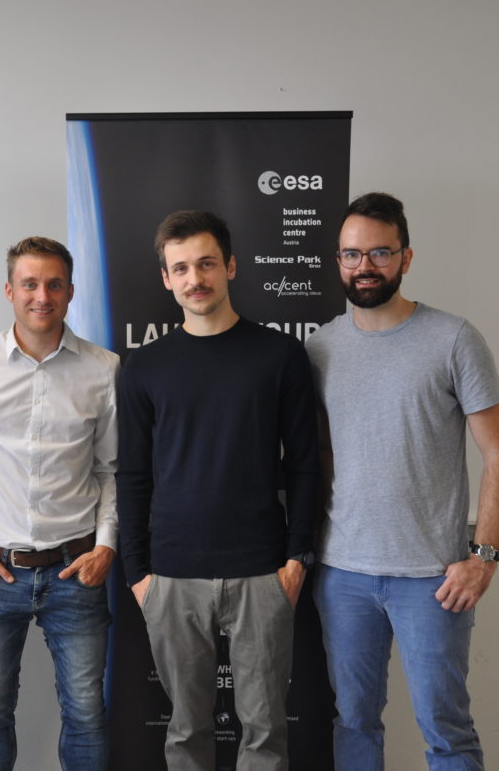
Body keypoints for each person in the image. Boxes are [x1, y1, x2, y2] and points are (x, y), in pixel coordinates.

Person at [306, 192, 499, 770]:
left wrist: (485, 557)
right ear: (338, 261)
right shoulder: (320, 347)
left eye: (379, 252)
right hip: (343, 574)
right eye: (352, 255)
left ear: (406, 257)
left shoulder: (453, 339)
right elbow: (320, 455)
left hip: (433, 578)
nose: (364, 266)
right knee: (353, 723)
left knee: (445, 730)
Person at [116, 209, 320, 770]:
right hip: (172, 576)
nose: (194, 278)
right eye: (180, 268)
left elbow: (305, 464)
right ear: (166, 278)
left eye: (206, 264)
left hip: (263, 572)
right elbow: (132, 474)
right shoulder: (143, 368)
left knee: (265, 731)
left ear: (230, 266)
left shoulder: (279, 356)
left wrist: (298, 557)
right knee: (184, 731)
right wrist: (138, 573)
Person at [0, 236, 120, 771]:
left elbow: (111, 469)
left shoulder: (104, 369)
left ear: (69, 291)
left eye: (54, 284)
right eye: (29, 284)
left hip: (77, 571)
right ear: (10, 291)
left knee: (87, 714)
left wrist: (107, 545)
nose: (42, 295)